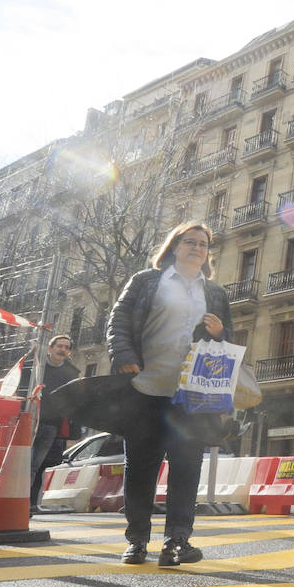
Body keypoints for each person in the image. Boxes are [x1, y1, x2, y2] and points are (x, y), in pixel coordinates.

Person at [108, 222, 232, 566]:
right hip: (145, 388)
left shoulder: (215, 293)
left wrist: (220, 334)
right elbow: (118, 319)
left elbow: (227, 347)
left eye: (203, 244)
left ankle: (177, 542)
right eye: (189, 241)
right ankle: (136, 542)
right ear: (174, 246)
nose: (197, 248)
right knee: (140, 469)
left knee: (187, 468)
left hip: (192, 397)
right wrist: (123, 354)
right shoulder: (148, 280)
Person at [18, 333, 81, 513]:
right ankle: (20, 502)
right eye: (59, 346)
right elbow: (20, 389)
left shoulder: (72, 373)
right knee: (23, 464)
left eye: (66, 347)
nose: (63, 350)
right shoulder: (34, 366)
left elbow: (74, 401)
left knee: (37, 466)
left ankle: (28, 503)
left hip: (51, 425)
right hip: (28, 421)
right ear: (50, 348)